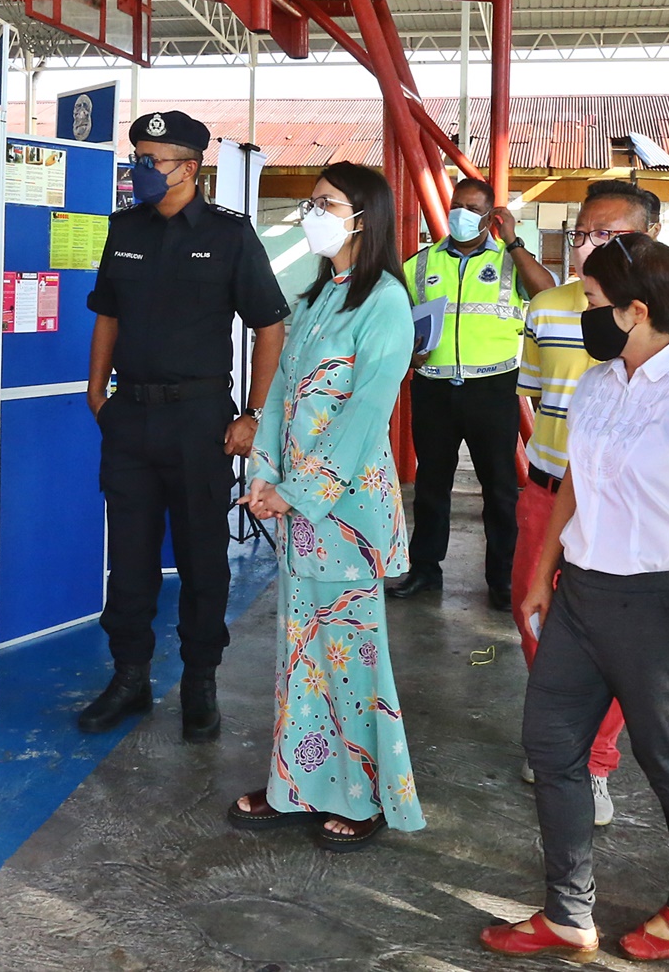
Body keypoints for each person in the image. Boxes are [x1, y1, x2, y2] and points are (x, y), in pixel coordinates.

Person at [482, 233, 669, 964]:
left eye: (595, 301)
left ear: (638, 310)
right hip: (584, 592)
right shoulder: (599, 382)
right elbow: (577, 478)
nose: (584, 312)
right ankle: (569, 912)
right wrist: (544, 569)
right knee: (551, 744)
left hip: (663, 601)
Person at [228, 163, 426, 851]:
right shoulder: (315, 298)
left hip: (346, 516)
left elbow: (366, 417)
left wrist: (299, 490)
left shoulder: (386, 303)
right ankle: (300, 783)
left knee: (352, 657)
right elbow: (280, 394)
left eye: (325, 203)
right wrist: (265, 473)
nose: (311, 212)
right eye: (311, 202)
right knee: (301, 655)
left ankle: (368, 794)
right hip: (298, 515)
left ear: (363, 217)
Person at [79, 110, 290, 742]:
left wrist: (253, 413)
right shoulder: (124, 229)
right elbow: (107, 315)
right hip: (130, 416)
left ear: (190, 168)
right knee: (131, 556)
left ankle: (201, 681)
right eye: (137, 157)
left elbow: (269, 325)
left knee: (203, 556)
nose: (141, 170)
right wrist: (97, 394)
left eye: (154, 160)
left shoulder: (229, 235)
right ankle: (130, 678)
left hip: (201, 420)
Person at [513, 179, 669, 825]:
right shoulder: (546, 306)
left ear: (646, 239)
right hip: (549, 492)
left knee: (618, 638)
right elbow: (535, 395)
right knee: (535, 613)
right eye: (582, 231)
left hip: (626, 507)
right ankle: (557, 725)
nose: (587, 244)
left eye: (607, 234)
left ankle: (593, 758)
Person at [391, 176, 554, 607]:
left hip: (493, 388)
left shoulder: (509, 261)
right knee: (431, 485)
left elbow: (547, 292)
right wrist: (410, 353)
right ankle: (425, 569)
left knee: (499, 488)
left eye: (471, 208)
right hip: (433, 388)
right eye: (456, 205)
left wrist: (515, 241)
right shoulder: (420, 264)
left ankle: (502, 578)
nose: (460, 214)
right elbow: (395, 320)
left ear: (490, 217)